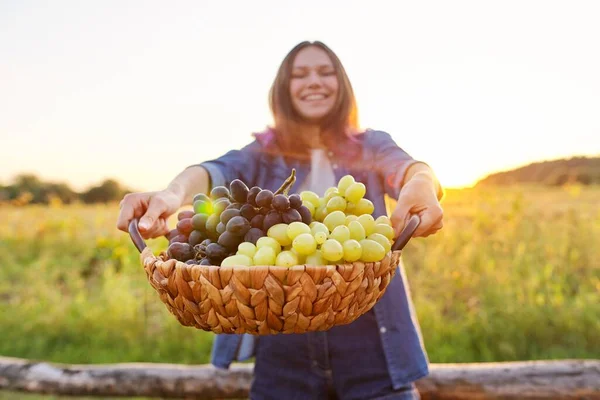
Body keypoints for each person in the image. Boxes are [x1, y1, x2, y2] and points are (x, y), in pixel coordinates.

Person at [117, 41, 444, 400]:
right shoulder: (261, 154)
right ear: (284, 89)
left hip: (371, 342)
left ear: (343, 84)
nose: (314, 81)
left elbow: (410, 168)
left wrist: (423, 183)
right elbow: (215, 171)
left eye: (325, 71)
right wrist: (171, 194)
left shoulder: (372, 146)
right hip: (281, 347)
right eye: (300, 74)